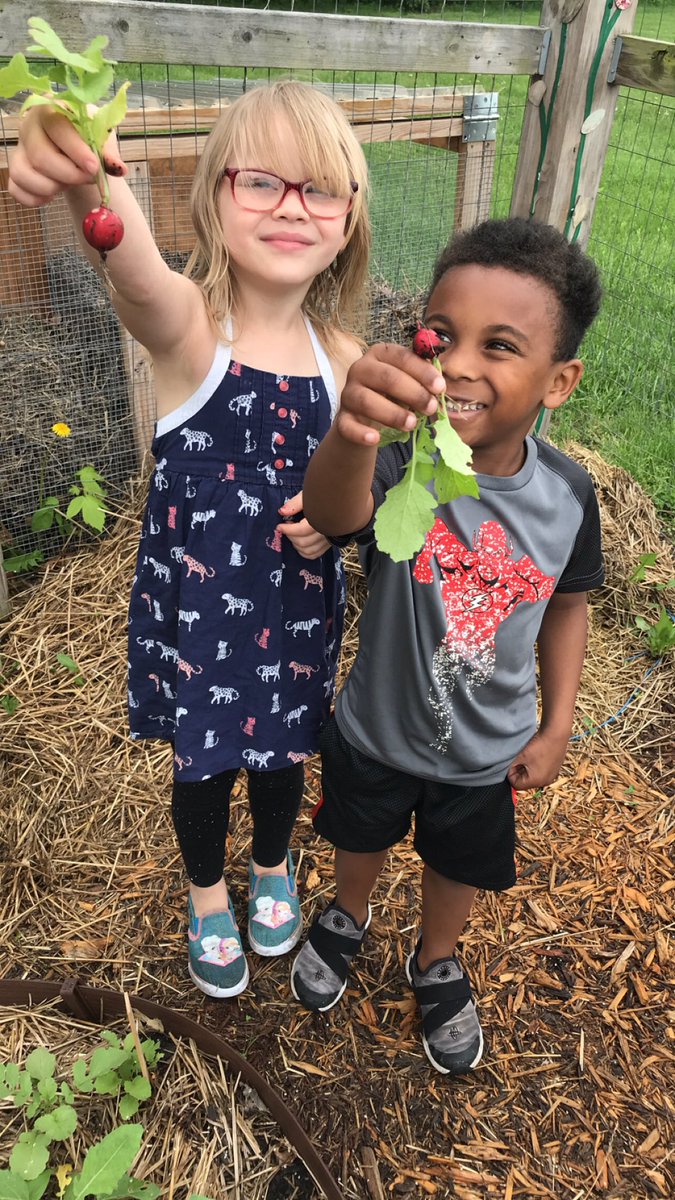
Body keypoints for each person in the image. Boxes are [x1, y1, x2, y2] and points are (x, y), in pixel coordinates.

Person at [9, 81, 370, 999]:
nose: (291, 207)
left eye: (319, 188)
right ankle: (208, 896)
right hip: (204, 613)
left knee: (285, 751)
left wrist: (337, 528)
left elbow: (361, 493)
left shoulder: (345, 359)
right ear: (214, 197)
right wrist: (86, 166)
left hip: (295, 609)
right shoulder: (190, 332)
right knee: (205, 763)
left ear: (348, 220)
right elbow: (130, 266)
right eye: (262, 182)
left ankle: (272, 865)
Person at [290, 217, 604, 1074]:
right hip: (377, 728)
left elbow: (568, 605)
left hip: (483, 752)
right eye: (440, 335)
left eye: (498, 346)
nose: (459, 365)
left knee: (456, 861)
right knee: (359, 834)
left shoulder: (568, 497)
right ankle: (346, 915)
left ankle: (435, 959)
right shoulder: (405, 464)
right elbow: (334, 515)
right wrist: (353, 430)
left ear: (559, 381)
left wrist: (557, 724)